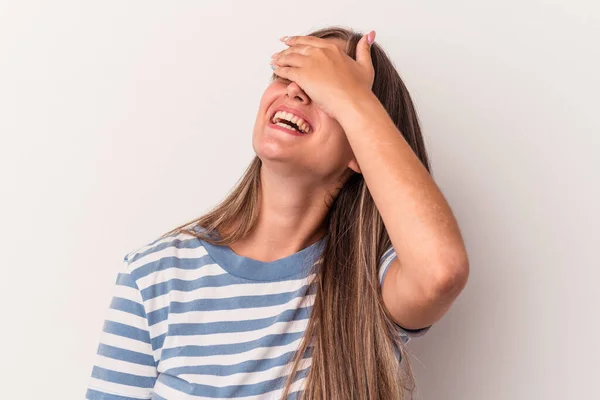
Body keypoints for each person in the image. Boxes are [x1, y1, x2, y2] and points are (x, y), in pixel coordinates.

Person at [85, 26, 469, 400]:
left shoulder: (371, 282)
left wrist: (355, 99)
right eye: (287, 75)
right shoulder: (155, 274)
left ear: (361, 144)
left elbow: (441, 272)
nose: (295, 92)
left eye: (325, 89)